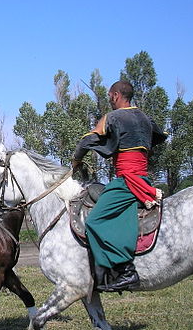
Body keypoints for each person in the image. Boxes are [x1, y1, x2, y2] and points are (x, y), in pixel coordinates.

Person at [72, 80, 168, 292]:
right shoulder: (145, 117)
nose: (109, 101)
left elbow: (87, 140)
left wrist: (76, 161)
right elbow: (158, 137)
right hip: (144, 180)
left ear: (115, 95)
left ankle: (125, 271)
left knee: (94, 221)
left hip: (126, 181)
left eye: (109, 97)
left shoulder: (112, 117)